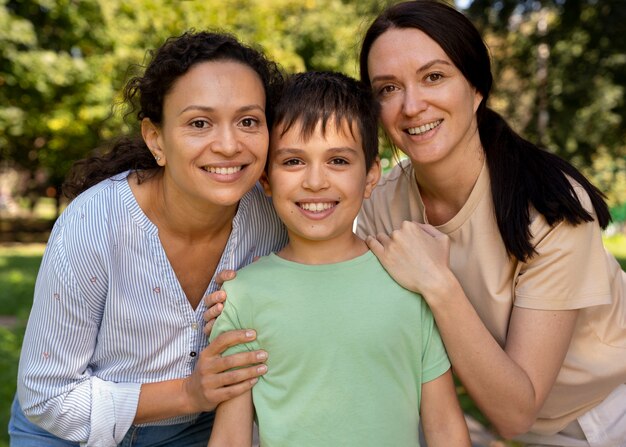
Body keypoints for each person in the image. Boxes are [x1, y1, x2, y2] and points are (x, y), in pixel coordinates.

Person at [356, 1, 626, 446]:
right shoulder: (383, 203)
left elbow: (515, 412)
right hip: (542, 431)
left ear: (476, 87)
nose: (411, 105)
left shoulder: (548, 204)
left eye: (434, 77)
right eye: (387, 88)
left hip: (610, 411)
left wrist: (438, 284)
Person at [9, 30, 288, 446]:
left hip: (199, 430)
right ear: (156, 138)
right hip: (69, 431)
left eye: (248, 121)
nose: (229, 145)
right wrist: (188, 392)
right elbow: (48, 397)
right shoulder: (94, 224)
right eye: (199, 123)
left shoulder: (272, 218)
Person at [207, 71, 471, 447]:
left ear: (370, 177)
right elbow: (231, 437)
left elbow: (446, 428)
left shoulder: (408, 281)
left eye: (338, 161)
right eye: (294, 161)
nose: (316, 181)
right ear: (266, 180)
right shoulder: (241, 296)